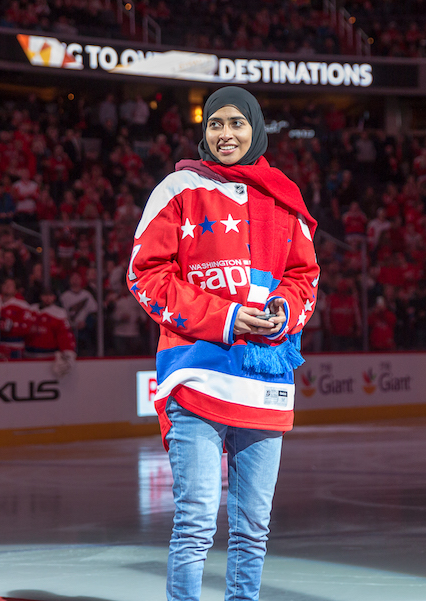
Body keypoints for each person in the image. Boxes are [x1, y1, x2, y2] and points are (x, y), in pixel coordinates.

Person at [128, 87, 319, 601]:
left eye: (237, 123)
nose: (226, 134)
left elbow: (305, 278)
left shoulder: (284, 196)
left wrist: (282, 312)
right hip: (197, 376)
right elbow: (144, 275)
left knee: (252, 531)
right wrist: (229, 318)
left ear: (255, 129)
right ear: (204, 131)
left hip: (264, 382)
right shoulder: (180, 187)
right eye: (216, 124)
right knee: (194, 526)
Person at [0, 277, 35, 359]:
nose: (7, 286)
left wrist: (12, 326)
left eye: (11, 285)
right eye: (5, 284)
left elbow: (27, 327)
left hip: (14, 347)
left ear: (16, 290)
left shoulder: (23, 306)